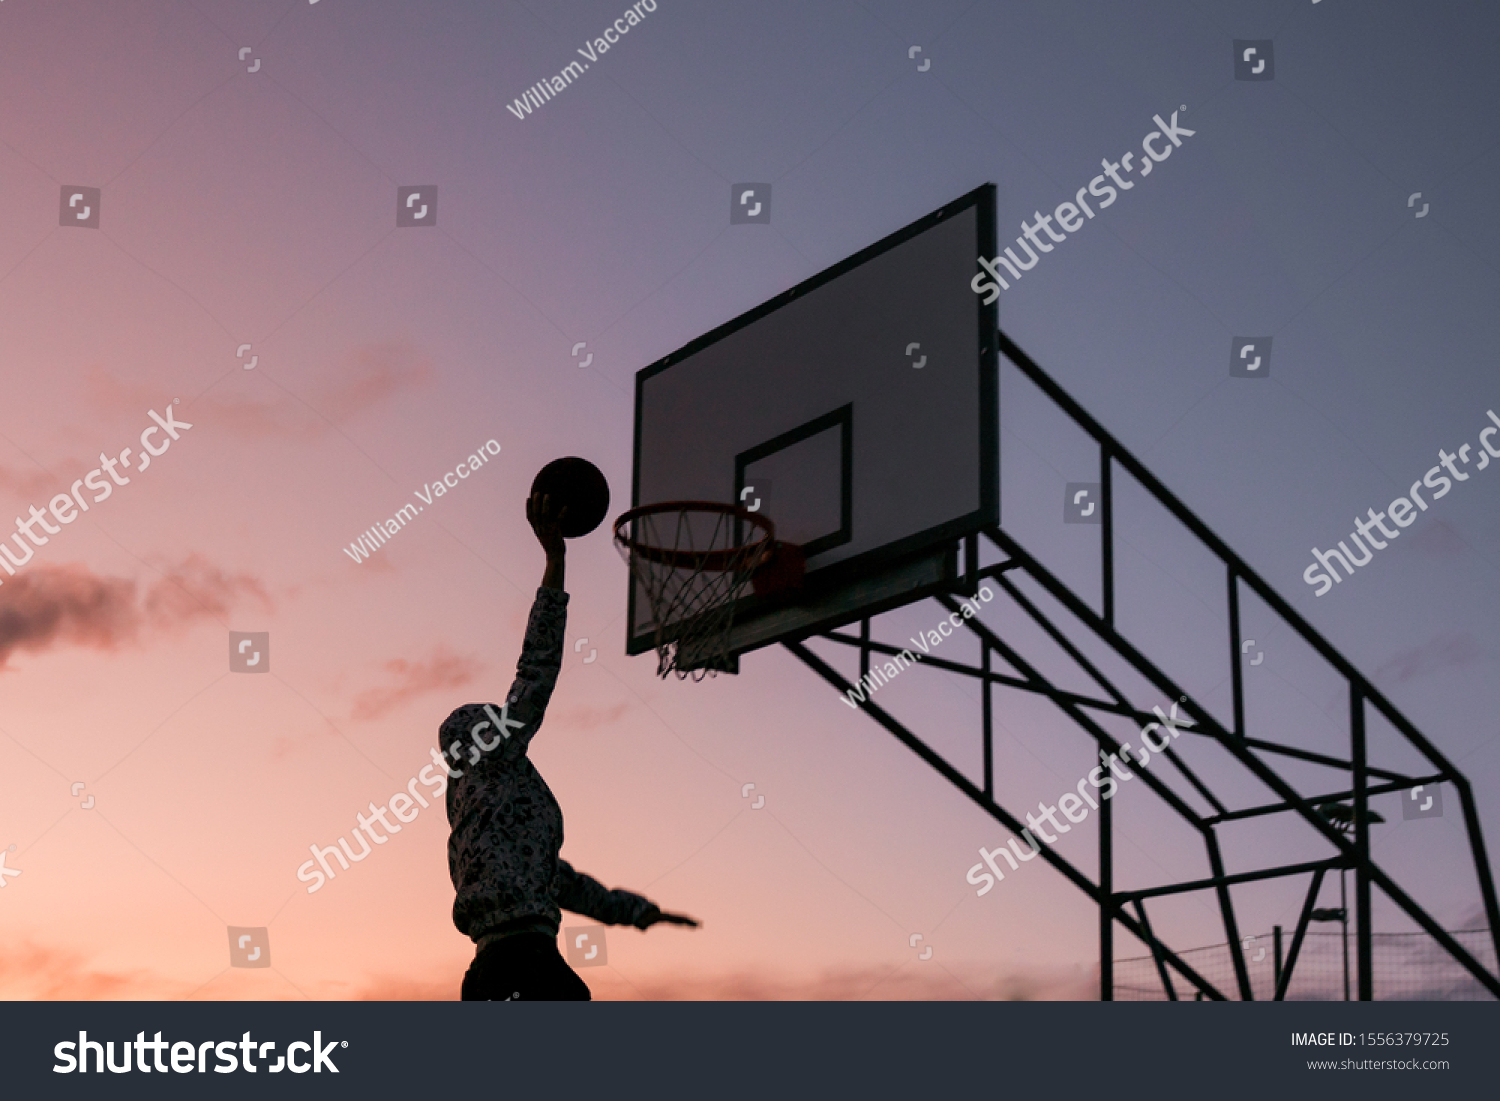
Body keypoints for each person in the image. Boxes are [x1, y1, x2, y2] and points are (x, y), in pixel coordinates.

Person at [440, 489, 698, 1000]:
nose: (507, 722)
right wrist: (555, 562)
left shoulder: (501, 830)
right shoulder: (490, 769)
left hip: (519, 961)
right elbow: (536, 668)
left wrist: (641, 912)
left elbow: (569, 884)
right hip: (516, 966)